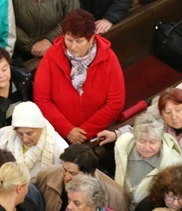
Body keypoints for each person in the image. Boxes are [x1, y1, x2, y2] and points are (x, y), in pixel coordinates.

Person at [34, 9, 124, 142]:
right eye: (69, 40)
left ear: (92, 37)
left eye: (79, 41)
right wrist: (67, 129)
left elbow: (115, 102)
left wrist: (85, 132)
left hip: (98, 133)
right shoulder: (51, 57)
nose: (73, 47)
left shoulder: (108, 58)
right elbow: (42, 99)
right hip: (59, 134)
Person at [35, 143, 129, 211]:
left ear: (89, 173)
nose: (66, 177)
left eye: (73, 173)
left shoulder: (116, 196)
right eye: (64, 170)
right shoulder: (46, 175)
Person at [0, 0, 80, 58]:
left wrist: (50, 40)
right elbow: (6, 20)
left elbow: (73, 14)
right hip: (23, 52)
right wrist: (31, 46)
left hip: (59, 46)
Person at [113, 113, 182, 210]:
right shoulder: (122, 145)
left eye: (152, 142)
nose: (147, 148)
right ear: (135, 138)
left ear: (161, 140)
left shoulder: (174, 162)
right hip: (119, 205)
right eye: (142, 141)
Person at [0, 100, 69, 179]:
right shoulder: (0, 137)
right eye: (20, 134)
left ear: (40, 128)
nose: (25, 139)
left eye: (29, 133)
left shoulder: (59, 149)